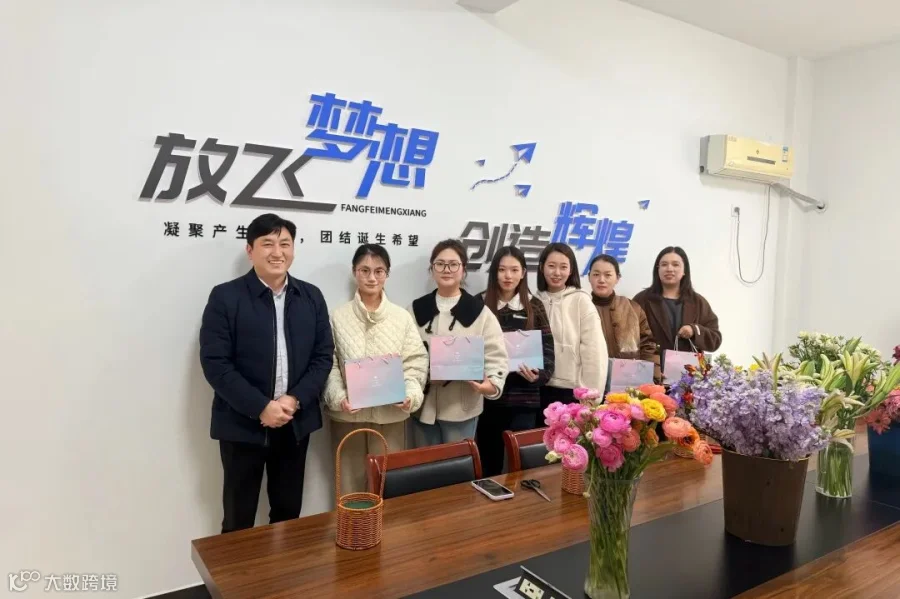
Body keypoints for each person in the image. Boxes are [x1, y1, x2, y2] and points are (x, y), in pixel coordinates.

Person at [199, 213, 334, 534]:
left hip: (294, 423)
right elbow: (216, 363)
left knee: (288, 514)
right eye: (268, 244)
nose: (277, 252)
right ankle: (235, 570)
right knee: (238, 517)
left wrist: (294, 400)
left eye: (285, 244)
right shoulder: (225, 297)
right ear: (250, 250)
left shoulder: (310, 296)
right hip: (241, 425)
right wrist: (261, 407)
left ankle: (282, 570)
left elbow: (323, 356)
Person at [323, 244, 428, 493]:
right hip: (348, 418)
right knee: (349, 489)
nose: (372, 278)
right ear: (354, 272)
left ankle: (388, 523)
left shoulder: (401, 317)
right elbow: (329, 364)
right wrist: (339, 398)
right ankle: (352, 523)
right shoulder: (337, 316)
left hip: (390, 417)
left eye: (379, 271)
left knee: (387, 487)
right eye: (365, 270)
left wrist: (410, 395)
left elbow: (415, 361)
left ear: (387, 274)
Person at [410, 239, 508, 447]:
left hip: (462, 407)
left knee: (458, 463)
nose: (447, 269)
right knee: (424, 463)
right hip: (422, 406)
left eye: (453, 264)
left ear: (463, 270)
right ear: (432, 269)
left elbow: (496, 355)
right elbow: (406, 354)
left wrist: (492, 384)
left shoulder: (480, 312)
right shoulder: (416, 308)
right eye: (440, 264)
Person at [476, 246, 555, 476]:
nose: (508, 276)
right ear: (494, 272)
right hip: (489, 399)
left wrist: (538, 375)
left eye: (514, 270)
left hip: (524, 399)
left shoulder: (534, 305)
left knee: (520, 467)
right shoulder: (480, 303)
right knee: (488, 463)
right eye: (502, 270)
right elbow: (469, 347)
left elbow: (548, 351)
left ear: (523, 273)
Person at [535, 243, 608, 417]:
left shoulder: (581, 301)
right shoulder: (534, 301)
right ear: (542, 267)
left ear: (571, 270)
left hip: (571, 391)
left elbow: (594, 351)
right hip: (538, 388)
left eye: (563, 267)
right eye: (551, 266)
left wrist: (591, 397)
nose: (557, 272)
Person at [633, 246, 722, 382]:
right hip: (650, 378)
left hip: (688, 380)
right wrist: (650, 368)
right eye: (664, 264)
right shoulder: (642, 300)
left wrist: (694, 330)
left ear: (684, 270)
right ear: (657, 269)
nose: (669, 269)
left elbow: (715, 340)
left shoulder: (698, 302)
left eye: (675, 264)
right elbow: (630, 340)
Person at [588, 254, 657, 365]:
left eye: (608, 275)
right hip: (592, 373)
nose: (601, 280)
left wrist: (646, 371)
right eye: (596, 274)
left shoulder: (633, 308)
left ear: (617, 278)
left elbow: (648, 345)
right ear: (589, 277)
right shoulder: (581, 308)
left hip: (629, 374)